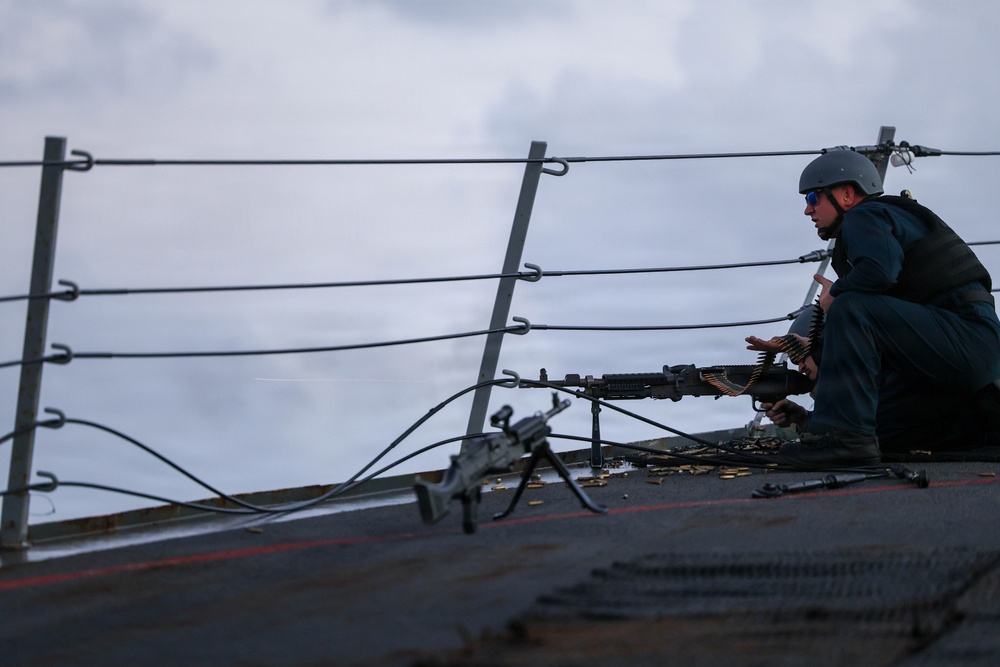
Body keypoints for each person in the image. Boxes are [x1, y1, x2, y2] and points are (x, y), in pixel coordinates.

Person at [746, 149, 1000, 467]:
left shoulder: (867, 216)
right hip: (958, 354)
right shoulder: (872, 232)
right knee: (877, 428)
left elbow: (879, 275)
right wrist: (805, 405)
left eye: (813, 197)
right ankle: (842, 439)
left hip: (965, 336)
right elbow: (884, 324)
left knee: (851, 305)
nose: (807, 210)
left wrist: (835, 296)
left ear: (847, 194)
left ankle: (847, 443)